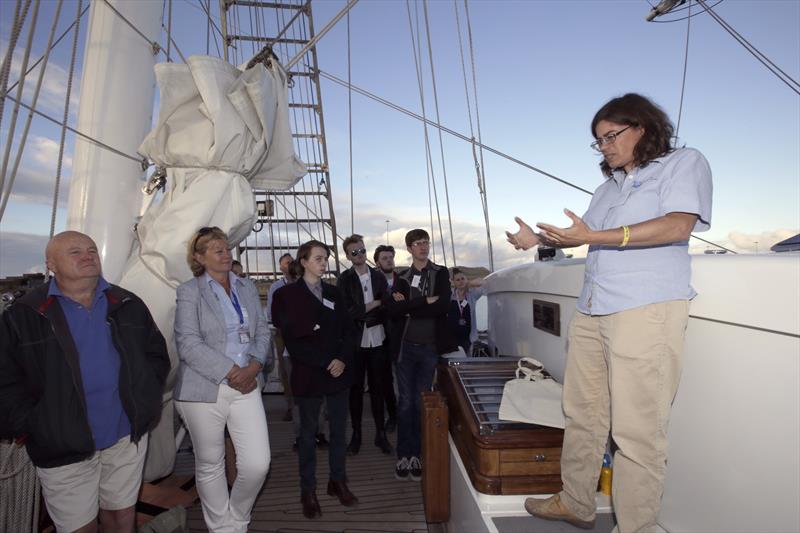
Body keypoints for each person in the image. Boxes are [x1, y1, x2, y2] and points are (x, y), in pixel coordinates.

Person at [508, 93, 712, 532]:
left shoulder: (683, 163)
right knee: (582, 411)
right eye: (598, 141)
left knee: (637, 431)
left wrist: (600, 234)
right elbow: (582, 237)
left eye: (610, 136)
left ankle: (636, 526)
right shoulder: (607, 188)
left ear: (642, 126)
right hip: (593, 309)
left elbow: (679, 225)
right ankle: (577, 501)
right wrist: (539, 242)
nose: (604, 147)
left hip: (646, 309)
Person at [0, 230, 170, 533]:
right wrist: (37, 424)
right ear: (50, 264)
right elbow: (5, 380)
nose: (87, 255)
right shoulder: (24, 315)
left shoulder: (127, 302)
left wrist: (146, 399)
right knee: (80, 528)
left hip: (124, 435)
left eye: (92, 249)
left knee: (121, 518)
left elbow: (156, 356)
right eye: (75, 251)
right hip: (63, 441)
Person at [174, 226, 272, 533]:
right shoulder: (190, 291)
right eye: (217, 249)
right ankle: (223, 528)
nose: (226, 253)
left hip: (246, 385)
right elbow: (188, 343)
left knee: (258, 464)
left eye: (227, 248)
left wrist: (253, 367)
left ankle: (238, 517)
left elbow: (262, 332)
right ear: (199, 258)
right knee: (210, 462)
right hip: (204, 389)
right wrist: (233, 372)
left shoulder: (245, 287)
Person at [271, 240, 357, 519]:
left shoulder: (335, 292)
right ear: (304, 261)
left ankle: (338, 481)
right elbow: (293, 339)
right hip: (309, 372)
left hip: (338, 372)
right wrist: (325, 360)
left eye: (326, 259)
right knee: (307, 435)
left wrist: (342, 359)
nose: (324, 263)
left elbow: (349, 330)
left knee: (339, 432)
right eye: (318, 258)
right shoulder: (286, 295)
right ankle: (307, 490)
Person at [382, 229, 456, 481]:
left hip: (429, 348)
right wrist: (425, 302)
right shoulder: (401, 275)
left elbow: (445, 305)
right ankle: (405, 454)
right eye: (417, 243)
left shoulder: (441, 272)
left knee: (421, 401)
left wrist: (410, 308)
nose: (423, 247)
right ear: (409, 248)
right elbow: (393, 309)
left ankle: (419, 454)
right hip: (405, 348)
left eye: (426, 242)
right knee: (405, 402)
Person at [338, 234, 393, 455]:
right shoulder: (345, 279)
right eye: (354, 252)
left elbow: (387, 306)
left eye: (362, 250)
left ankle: (381, 434)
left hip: (378, 339)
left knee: (378, 389)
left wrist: (370, 307)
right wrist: (374, 304)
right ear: (348, 256)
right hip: (356, 342)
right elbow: (348, 312)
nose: (359, 255)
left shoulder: (379, 277)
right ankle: (357, 434)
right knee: (355, 390)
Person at [266, 252, 295, 421]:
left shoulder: (304, 283)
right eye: (287, 262)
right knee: (285, 370)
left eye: (292, 262)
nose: (290, 264)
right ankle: (291, 405)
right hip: (282, 332)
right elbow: (271, 311)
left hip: (303, 332)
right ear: (281, 267)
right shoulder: (276, 287)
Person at [373, 244, 399, 433]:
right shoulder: (373, 283)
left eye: (390, 257)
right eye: (384, 258)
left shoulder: (403, 281)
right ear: (377, 262)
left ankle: (406, 413)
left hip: (402, 337)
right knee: (385, 381)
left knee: (403, 379)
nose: (388, 260)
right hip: (380, 338)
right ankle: (393, 415)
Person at [447, 267, 486, 355]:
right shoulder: (450, 295)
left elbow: (484, 283)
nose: (461, 281)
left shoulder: (472, 294)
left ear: (466, 279)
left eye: (462, 279)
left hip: (467, 339)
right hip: (451, 339)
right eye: (457, 280)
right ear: (453, 282)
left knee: (467, 362)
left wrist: (469, 284)